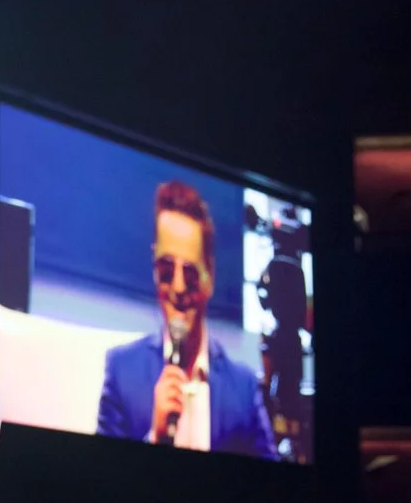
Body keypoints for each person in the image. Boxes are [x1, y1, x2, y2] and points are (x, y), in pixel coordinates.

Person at [96, 180, 276, 457]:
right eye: (166, 271)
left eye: (190, 274)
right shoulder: (121, 371)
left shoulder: (243, 388)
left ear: (210, 277)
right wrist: (154, 438)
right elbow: (98, 482)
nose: (178, 288)